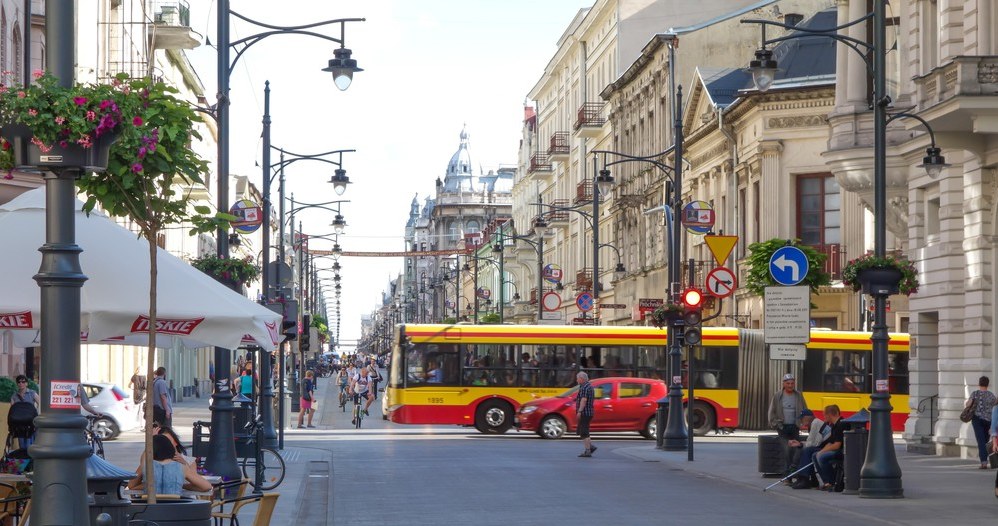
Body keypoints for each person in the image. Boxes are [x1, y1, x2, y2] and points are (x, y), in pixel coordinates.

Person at [128, 434, 211, 495]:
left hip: (150, 511)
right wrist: (182, 485)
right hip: (173, 511)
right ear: (171, 448)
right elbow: (206, 487)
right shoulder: (181, 467)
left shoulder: (146, 466)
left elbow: (131, 485)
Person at [790, 409, 830, 489]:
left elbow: (814, 443)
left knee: (807, 451)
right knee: (805, 450)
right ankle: (807, 478)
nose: (801, 421)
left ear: (808, 417)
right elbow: (812, 442)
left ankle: (804, 478)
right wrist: (801, 444)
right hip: (824, 446)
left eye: (802, 418)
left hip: (827, 447)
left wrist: (801, 444)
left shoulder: (815, 423)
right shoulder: (813, 424)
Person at [966, 376, 997, 469]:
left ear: (979, 384)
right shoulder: (991, 395)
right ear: (987, 384)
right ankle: (986, 459)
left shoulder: (975, 394)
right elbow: (995, 405)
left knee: (981, 441)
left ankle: (984, 462)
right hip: (988, 420)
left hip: (977, 420)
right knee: (985, 440)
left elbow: (968, 404)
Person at [813, 404, 846, 491]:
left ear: (829, 415)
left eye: (824, 415)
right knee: (815, 455)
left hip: (843, 451)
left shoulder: (840, 425)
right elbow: (830, 442)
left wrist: (821, 453)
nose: (824, 417)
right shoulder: (834, 426)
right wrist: (821, 451)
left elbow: (837, 445)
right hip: (838, 449)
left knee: (822, 457)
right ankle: (826, 482)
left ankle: (832, 481)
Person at [9, 375, 39, 448]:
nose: (21, 383)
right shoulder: (14, 396)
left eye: (23, 382)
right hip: (20, 423)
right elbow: (12, 410)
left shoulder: (32, 393)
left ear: (26, 383)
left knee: (31, 443)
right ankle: (24, 457)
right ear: (17, 384)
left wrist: (35, 413)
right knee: (22, 445)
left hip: (30, 422)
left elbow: (40, 403)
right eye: (19, 382)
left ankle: (30, 457)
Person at [575, 372, 597, 458]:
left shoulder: (585, 387)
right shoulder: (588, 386)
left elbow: (583, 400)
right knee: (581, 431)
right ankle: (591, 447)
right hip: (588, 412)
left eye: (577, 378)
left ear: (582, 378)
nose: (576, 380)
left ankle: (588, 451)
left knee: (584, 432)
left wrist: (579, 411)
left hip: (585, 412)